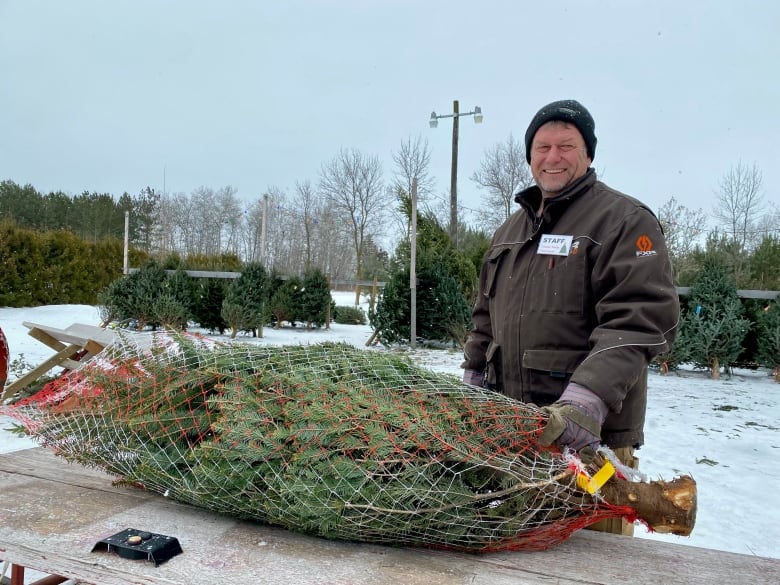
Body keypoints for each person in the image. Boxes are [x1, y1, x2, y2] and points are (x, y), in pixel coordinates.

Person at [461, 99, 679, 535]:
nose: (553, 157)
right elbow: (486, 316)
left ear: (589, 154)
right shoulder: (510, 233)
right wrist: (473, 374)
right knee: (527, 554)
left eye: (567, 146)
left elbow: (640, 317)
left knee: (594, 561)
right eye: (542, 147)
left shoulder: (622, 220)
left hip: (591, 445)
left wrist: (586, 399)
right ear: (529, 156)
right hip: (522, 438)